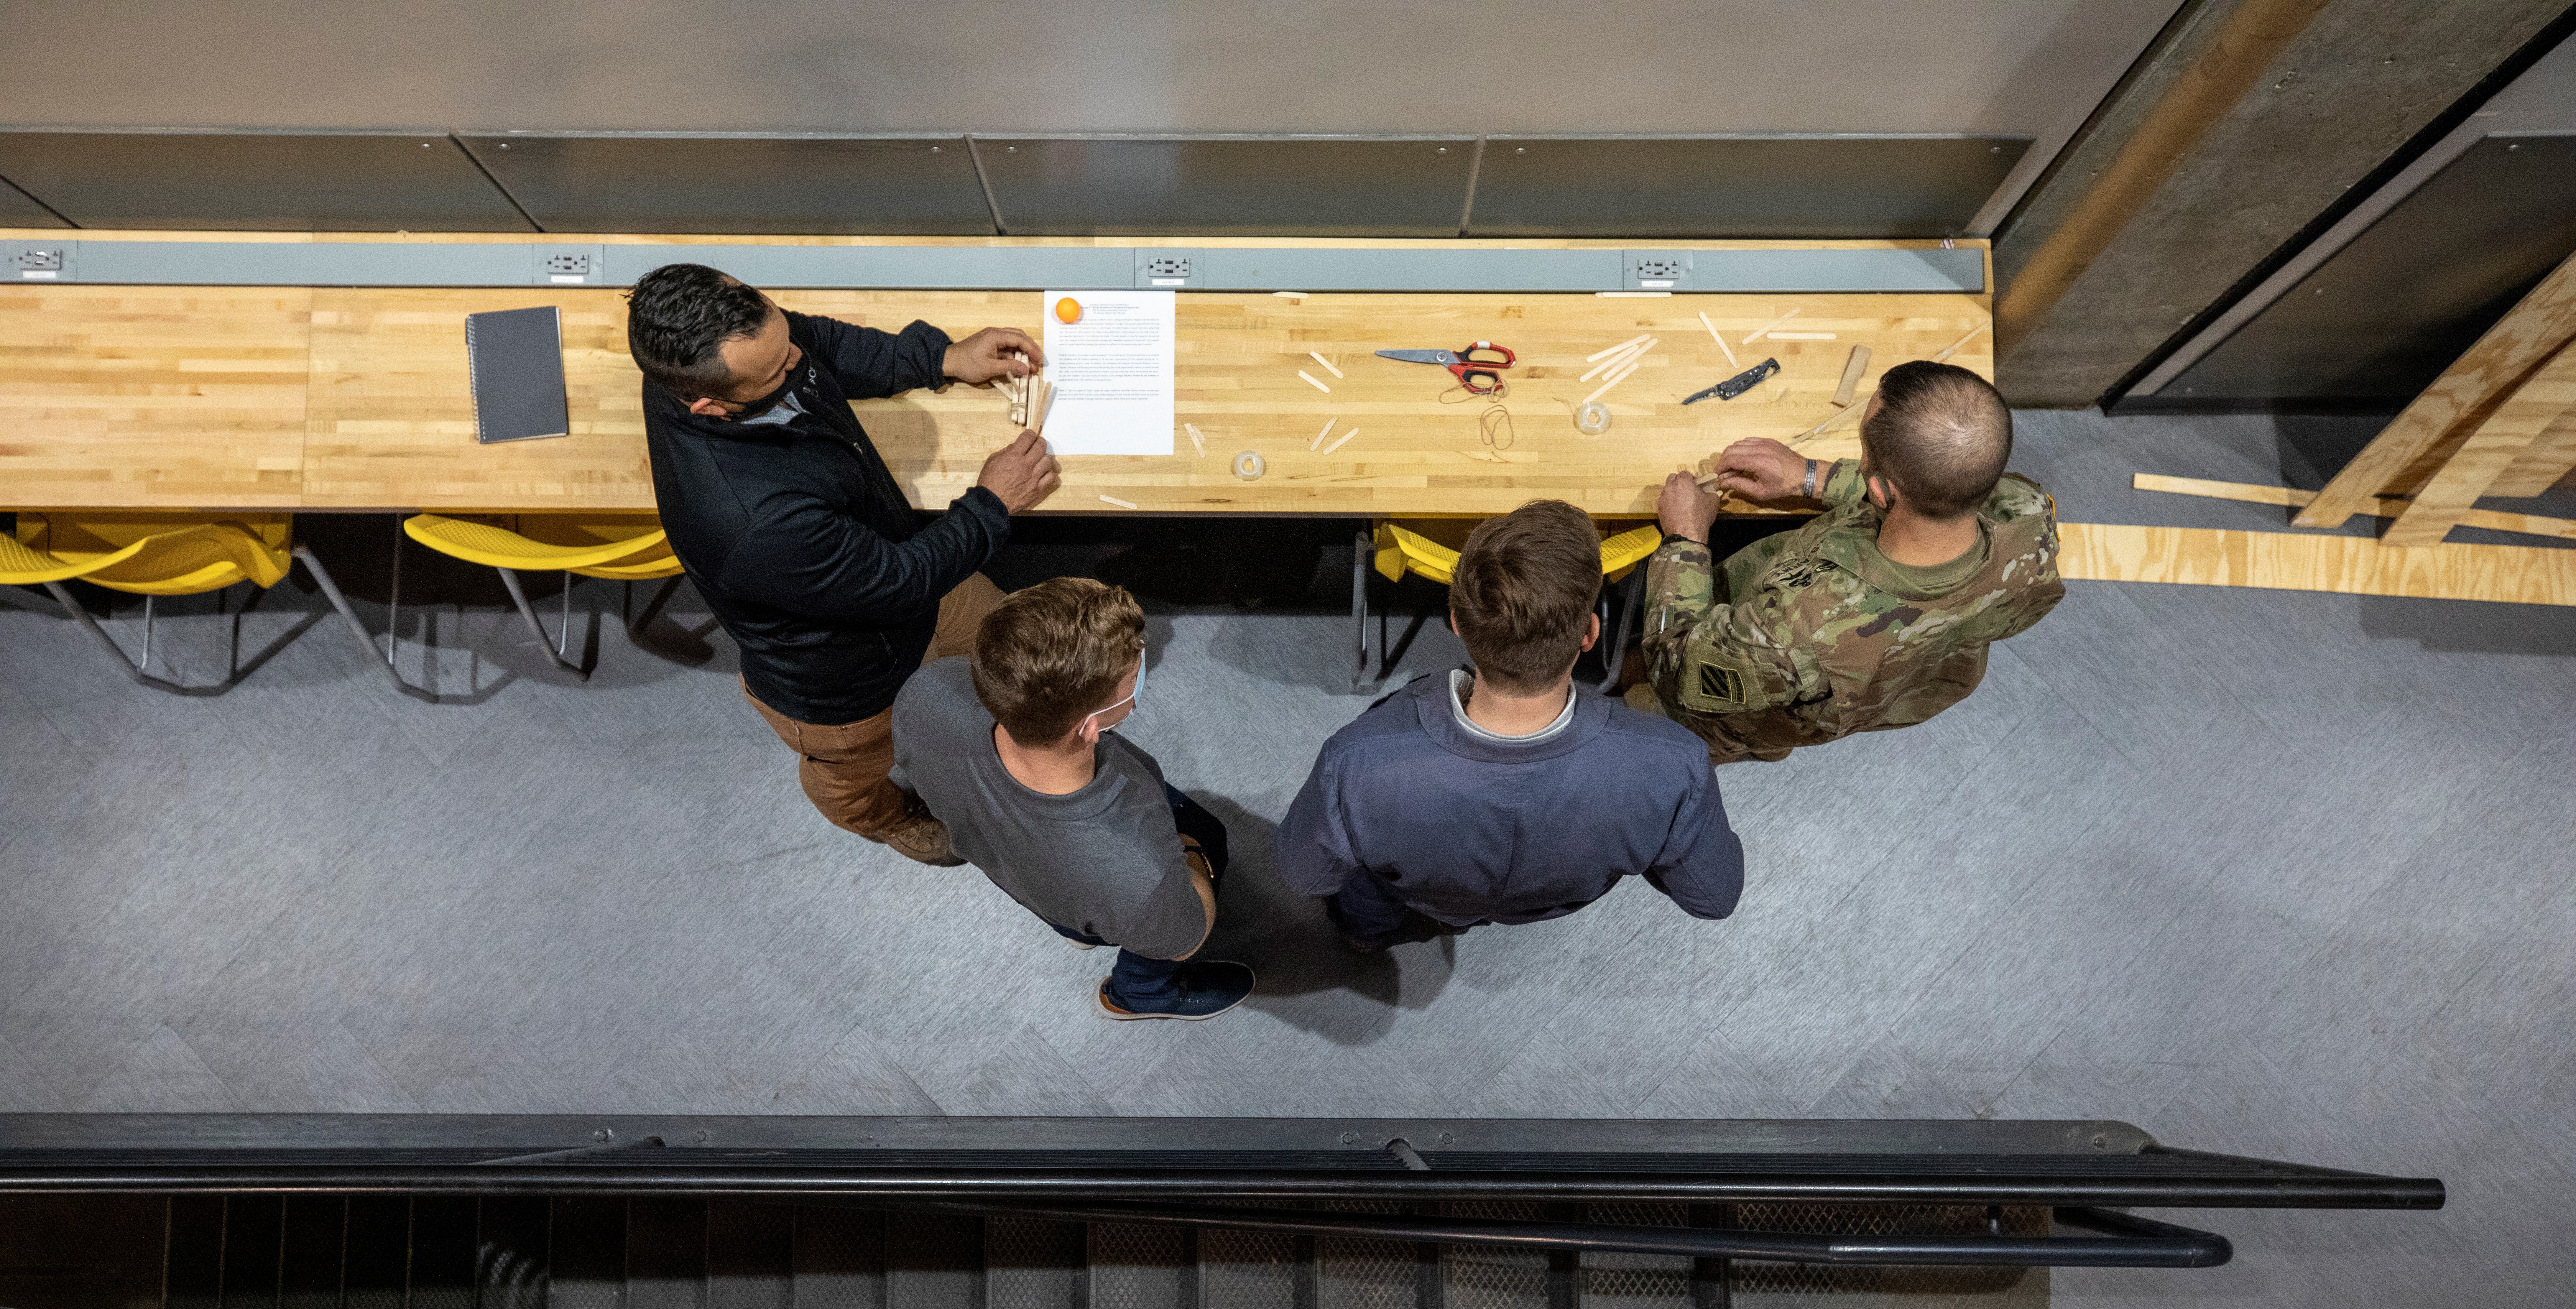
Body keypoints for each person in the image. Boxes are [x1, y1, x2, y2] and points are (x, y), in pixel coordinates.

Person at [628, 263, 1060, 865]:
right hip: (842, 681)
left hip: (897, 574)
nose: (799, 361)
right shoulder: (752, 520)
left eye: (786, 342)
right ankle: (883, 818)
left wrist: (939, 358)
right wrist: (992, 505)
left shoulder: (739, 352)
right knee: (853, 775)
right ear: (706, 405)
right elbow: (896, 584)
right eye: (780, 369)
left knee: (1011, 637)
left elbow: (819, 345)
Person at [1278, 500, 1744, 951]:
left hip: (1409, 895)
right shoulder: (1673, 766)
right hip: (1549, 903)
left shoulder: (1356, 760)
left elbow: (1306, 875)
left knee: (1365, 905)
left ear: (1456, 622)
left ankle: (1364, 939)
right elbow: (1713, 897)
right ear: (1588, 636)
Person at [1634, 359, 2063, 763]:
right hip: (1900, 690)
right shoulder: (2029, 520)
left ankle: (1732, 743)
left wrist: (1685, 538)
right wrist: (1808, 476)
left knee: (1680, 717)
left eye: (1862, 453)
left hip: (1738, 704)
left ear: (1879, 492)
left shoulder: (1794, 631)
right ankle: (1767, 743)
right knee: (1781, 722)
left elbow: (1676, 670)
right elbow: (1926, 493)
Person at [891, 578, 1256, 1021]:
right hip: (1136, 899)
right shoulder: (1142, 879)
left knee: (1077, 905)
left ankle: (1078, 928)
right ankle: (1137, 994)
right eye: (1134, 674)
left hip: (1026, 877)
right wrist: (1193, 852)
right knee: (1210, 835)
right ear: (1087, 728)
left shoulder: (927, 693)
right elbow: (1188, 935)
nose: (1140, 672)